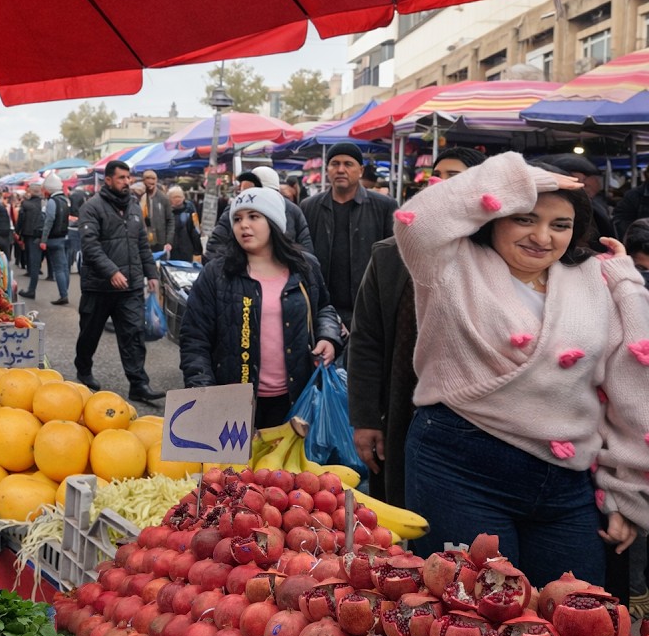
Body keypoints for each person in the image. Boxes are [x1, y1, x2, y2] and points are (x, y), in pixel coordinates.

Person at [394, 151, 649, 587]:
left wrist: (626, 492)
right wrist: (520, 174)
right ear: (495, 216)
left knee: (574, 616)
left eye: (560, 225)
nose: (543, 237)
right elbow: (418, 217)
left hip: (568, 484)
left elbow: (631, 386)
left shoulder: (600, 278)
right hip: (458, 466)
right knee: (471, 618)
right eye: (525, 218)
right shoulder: (447, 264)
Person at [348, 146, 486, 507]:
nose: (442, 186)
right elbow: (366, 343)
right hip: (402, 409)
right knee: (400, 514)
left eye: (457, 179)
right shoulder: (390, 254)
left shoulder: (497, 254)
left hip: (479, 421)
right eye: (437, 177)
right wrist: (364, 419)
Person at [179, 187, 341, 428]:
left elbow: (324, 308)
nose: (244, 225)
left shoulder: (304, 266)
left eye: (254, 217)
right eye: (237, 218)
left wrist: (328, 336)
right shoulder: (217, 273)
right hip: (232, 401)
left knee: (284, 467)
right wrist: (203, 392)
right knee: (233, 467)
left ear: (274, 222)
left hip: (295, 400)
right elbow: (194, 338)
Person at [74, 161, 163, 403]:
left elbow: (142, 244)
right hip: (99, 287)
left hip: (130, 286)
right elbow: (90, 246)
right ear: (109, 180)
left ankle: (138, 384)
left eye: (128, 178)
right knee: (89, 334)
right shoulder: (92, 208)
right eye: (121, 178)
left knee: (134, 334)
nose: (127, 182)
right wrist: (111, 272)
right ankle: (83, 370)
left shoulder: (134, 207)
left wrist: (151, 274)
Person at [300, 142, 399, 331]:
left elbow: (394, 258)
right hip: (323, 307)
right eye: (335, 164)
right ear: (327, 169)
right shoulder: (309, 207)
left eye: (348, 164)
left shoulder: (384, 206)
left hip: (368, 307)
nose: (341, 169)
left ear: (360, 170)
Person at [205, 166, 312, 260]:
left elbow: (306, 252)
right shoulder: (237, 207)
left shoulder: (292, 210)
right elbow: (215, 247)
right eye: (238, 219)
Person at [41, 174, 70, 305]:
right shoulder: (65, 200)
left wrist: (43, 239)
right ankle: (65, 291)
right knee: (64, 267)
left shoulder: (52, 202)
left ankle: (63, 295)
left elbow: (49, 221)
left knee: (58, 268)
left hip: (53, 239)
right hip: (63, 237)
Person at [17, 182, 45, 298]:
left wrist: (18, 232)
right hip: (41, 235)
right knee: (36, 263)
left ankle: (31, 290)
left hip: (29, 235)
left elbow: (21, 220)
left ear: (31, 192)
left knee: (33, 263)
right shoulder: (44, 204)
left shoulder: (26, 204)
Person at [140, 170, 173, 254]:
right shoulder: (139, 196)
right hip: (142, 240)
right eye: (148, 178)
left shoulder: (163, 198)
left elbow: (170, 220)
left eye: (153, 178)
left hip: (160, 241)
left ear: (156, 180)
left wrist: (169, 241)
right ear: (143, 180)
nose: (151, 181)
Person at [166, 186, 201, 263]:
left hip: (186, 250)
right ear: (169, 199)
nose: (178, 199)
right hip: (170, 251)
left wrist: (198, 251)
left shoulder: (190, 209)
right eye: (175, 197)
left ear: (184, 197)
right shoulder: (165, 211)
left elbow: (196, 230)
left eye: (180, 196)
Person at [68, 184, 91, 271]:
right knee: (81, 246)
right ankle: (79, 264)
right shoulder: (86, 196)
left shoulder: (72, 196)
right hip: (83, 223)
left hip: (72, 224)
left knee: (72, 246)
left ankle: (71, 264)